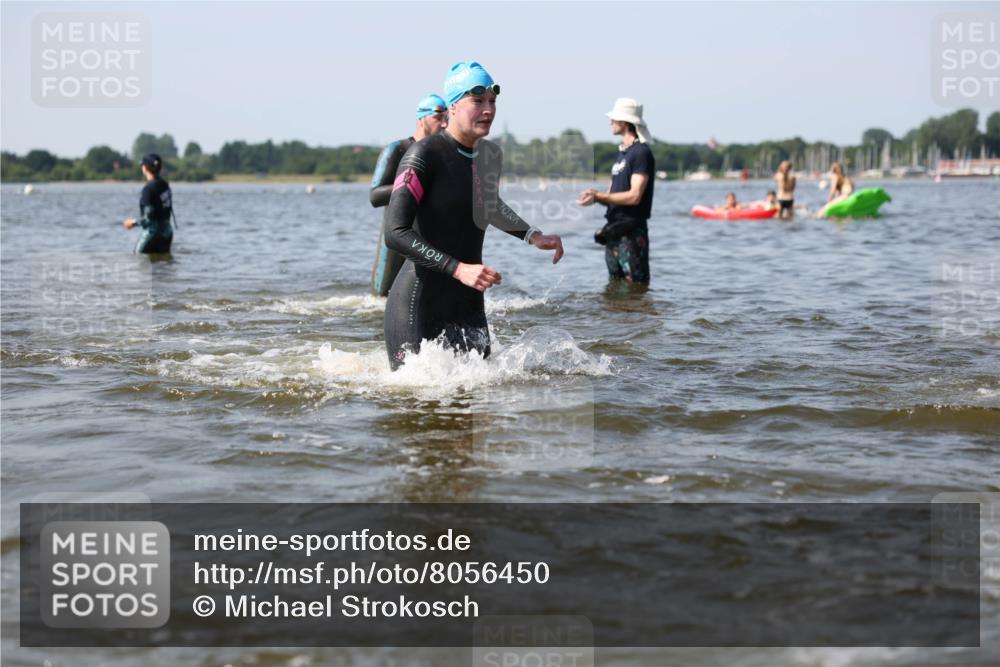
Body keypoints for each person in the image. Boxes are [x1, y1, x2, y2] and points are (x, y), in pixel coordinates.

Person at [382, 61, 564, 370]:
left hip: (467, 300)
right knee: (415, 403)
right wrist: (457, 268)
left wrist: (532, 235)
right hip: (418, 302)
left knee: (477, 402)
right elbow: (395, 231)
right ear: (452, 107)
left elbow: (489, 205)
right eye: (477, 100)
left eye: (492, 101)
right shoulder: (423, 155)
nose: (488, 109)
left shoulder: (491, 156)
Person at [369, 94, 449, 296]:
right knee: (381, 302)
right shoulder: (397, 149)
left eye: (447, 118)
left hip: (427, 242)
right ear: (421, 118)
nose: (444, 123)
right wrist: (415, 184)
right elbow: (375, 195)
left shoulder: (443, 154)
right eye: (438, 117)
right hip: (396, 239)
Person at [577, 98, 655, 285]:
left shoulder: (641, 153)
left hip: (632, 232)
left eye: (614, 118)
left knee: (635, 286)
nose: (610, 122)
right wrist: (595, 197)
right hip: (614, 230)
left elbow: (635, 196)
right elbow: (613, 195)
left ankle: (638, 315)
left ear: (625, 122)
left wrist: (599, 196)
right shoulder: (622, 154)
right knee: (614, 286)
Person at [123, 153, 173, 254]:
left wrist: (132, 223)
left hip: (152, 233)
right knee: (163, 265)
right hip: (167, 232)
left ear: (145, 168)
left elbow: (148, 220)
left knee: (138, 259)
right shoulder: (165, 185)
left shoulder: (148, 189)